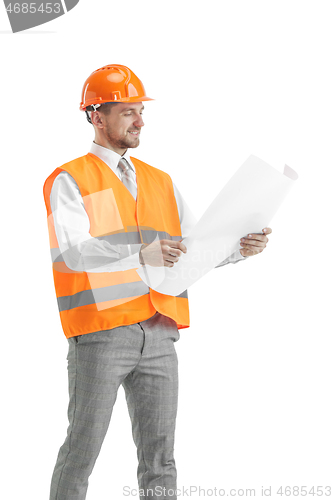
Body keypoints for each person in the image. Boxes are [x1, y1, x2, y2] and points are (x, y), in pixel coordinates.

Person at [43, 64, 272, 500]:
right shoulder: (70, 178)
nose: (140, 121)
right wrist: (138, 255)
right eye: (128, 111)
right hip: (101, 333)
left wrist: (238, 250)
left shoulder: (159, 180)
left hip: (160, 330)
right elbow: (72, 252)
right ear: (96, 116)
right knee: (81, 452)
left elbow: (194, 246)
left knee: (160, 460)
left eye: (140, 112)